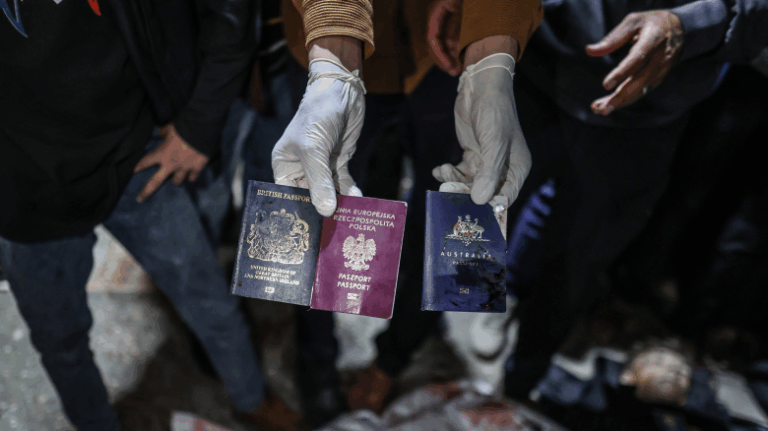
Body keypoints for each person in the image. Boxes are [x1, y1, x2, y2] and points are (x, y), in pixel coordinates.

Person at [427, 0, 768, 402]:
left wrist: (690, 22)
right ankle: (424, 348)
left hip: (641, 110)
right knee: (462, 226)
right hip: (534, 59)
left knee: (575, 268)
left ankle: (515, 389)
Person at [0, 1, 302, 430]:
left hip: (135, 158)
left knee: (210, 300)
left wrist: (197, 126)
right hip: (22, 191)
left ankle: (251, 398)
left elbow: (228, 14)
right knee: (60, 341)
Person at [267, 0, 542, 424]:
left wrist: (491, 59)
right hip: (323, 41)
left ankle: (393, 360)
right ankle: (316, 363)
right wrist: (333, 54)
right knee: (314, 211)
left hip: (447, 51)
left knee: (456, 224)